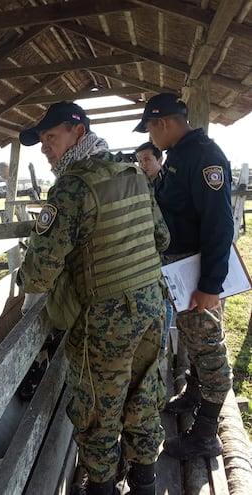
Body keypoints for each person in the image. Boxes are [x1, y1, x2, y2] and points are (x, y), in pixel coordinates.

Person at [17, 101, 170, 495]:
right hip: (152, 307)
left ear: (78, 133)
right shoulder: (134, 175)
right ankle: (145, 484)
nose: (45, 147)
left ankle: (101, 487)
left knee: (98, 412)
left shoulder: (71, 186)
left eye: (51, 137)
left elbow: (37, 275)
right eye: (42, 141)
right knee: (144, 396)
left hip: (105, 321)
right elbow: (162, 239)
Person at [134, 92, 234, 460]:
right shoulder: (180, 155)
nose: (150, 136)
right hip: (179, 268)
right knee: (194, 340)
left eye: (149, 127)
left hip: (195, 270)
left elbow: (220, 223)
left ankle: (206, 433)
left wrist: (211, 285)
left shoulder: (203, 156)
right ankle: (195, 392)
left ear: (163, 123)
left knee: (209, 348)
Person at [135, 142, 173, 354]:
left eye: (147, 159)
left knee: (164, 298)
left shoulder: (168, 185)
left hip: (165, 249)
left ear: (160, 159)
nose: (143, 164)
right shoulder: (139, 185)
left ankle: (161, 344)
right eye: (140, 160)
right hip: (145, 252)